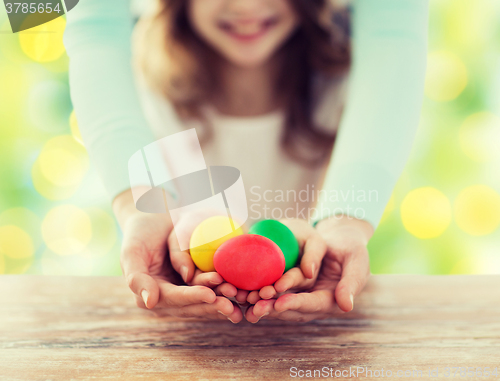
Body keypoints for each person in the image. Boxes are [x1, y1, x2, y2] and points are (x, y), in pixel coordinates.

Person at [64, 0, 429, 324]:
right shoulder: (148, 92)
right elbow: (83, 17)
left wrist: (345, 223)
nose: (245, 6)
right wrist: (141, 208)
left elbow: (396, 20)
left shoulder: (343, 87)